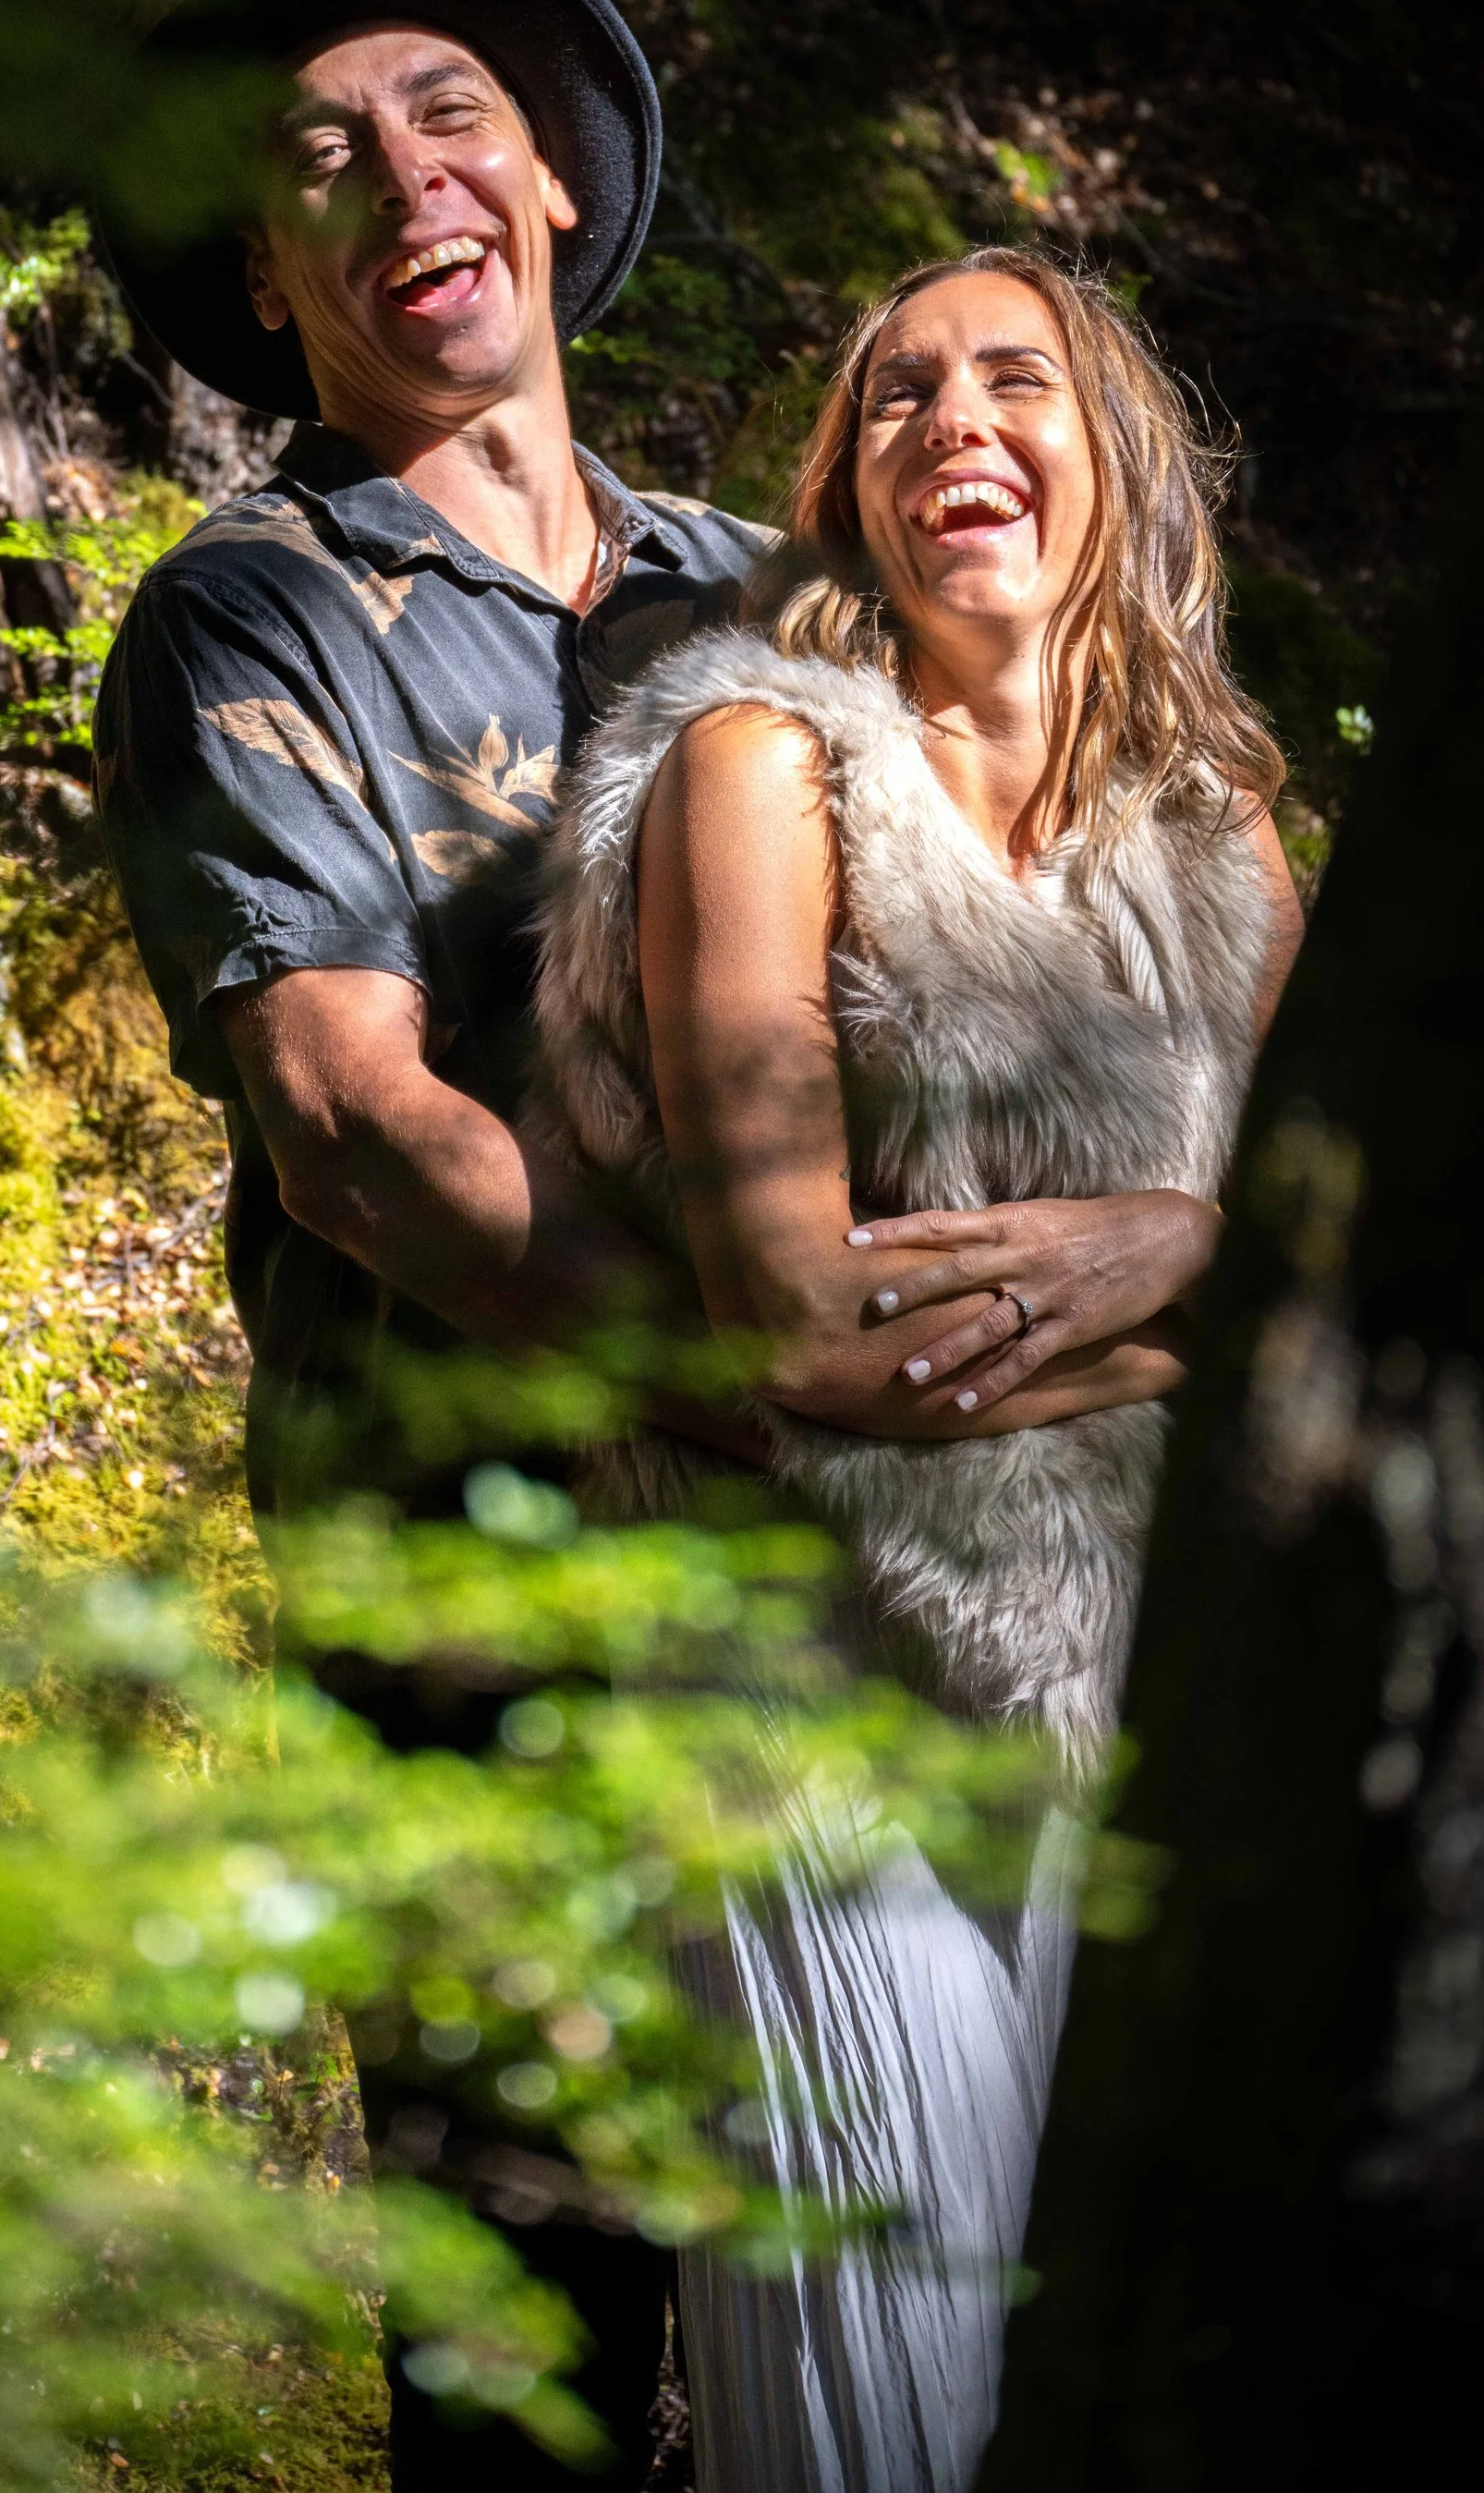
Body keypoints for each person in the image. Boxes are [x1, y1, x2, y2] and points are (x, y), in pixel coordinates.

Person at [91, 0, 769, 2487]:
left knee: (902, 2265)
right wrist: (758, 1379)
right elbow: (357, 1131)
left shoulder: (770, 592)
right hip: (484, 1608)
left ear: (554, 179)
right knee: (541, 2369)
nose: (404, 174)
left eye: (448, 109)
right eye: (318, 156)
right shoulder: (250, 614)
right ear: (267, 281)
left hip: (847, 1584)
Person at [530, 247, 1305, 2493]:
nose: (950, 422)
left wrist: (1188, 1234)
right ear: (846, 484)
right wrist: (1185, 1327)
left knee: (1109, 2370)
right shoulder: (755, 763)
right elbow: (787, 1312)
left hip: (1123, 1671)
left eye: (1012, 380)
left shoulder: (1220, 831)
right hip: (793, 1663)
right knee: (878, 2386)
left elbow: (1337, 1276)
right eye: (893, 396)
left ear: (1115, 460)